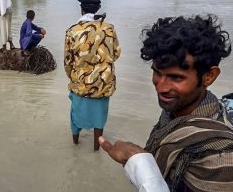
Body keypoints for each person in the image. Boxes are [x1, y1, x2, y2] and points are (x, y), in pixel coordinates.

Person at [99, 15, 233, 192]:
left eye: (176, 77)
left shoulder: (220, 157)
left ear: (209, 76)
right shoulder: (177, 109)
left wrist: (141, 165)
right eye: (157, 73)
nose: (161, 87)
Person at [64, 0, 121, 151]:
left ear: (81, 9)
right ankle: (97, 148)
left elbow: (68, 61)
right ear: (98, 8)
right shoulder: (109, 28)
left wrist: (73, 77)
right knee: (99, 117)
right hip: (103, 82)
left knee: (75, 115)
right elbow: (116, 54)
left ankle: (75, 144)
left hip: (80, 83)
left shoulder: (72, 31)